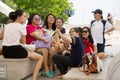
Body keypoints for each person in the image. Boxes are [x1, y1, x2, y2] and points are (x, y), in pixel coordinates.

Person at [2, 9, 43, 80]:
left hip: (5, 51)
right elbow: (23, 43)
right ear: (18, 17)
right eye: (24, 16)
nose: (26, 18)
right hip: (16, 50)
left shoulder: (7, 26)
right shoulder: (22, 27)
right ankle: (34, 79)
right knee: (40, 57)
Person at [26, 13, 53, 77]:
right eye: (36, 18)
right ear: (32, 20)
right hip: (31, 45)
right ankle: (46, 70)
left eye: (39, 18)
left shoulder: (40, 27)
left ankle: (49, 68)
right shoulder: (29, 26)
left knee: (50, 49)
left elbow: (45, 35)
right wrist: (43, 39)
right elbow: (33, 35)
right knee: (44, 50)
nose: (38, 19)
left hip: (40, 45)